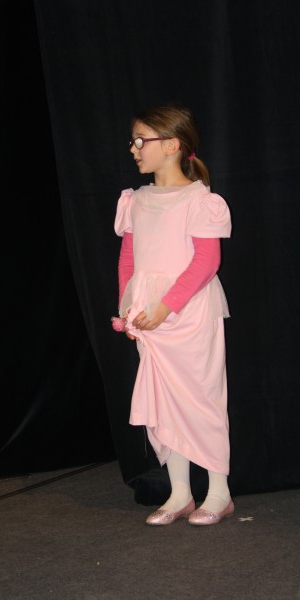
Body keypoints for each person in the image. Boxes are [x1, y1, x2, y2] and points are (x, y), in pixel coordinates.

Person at [112, 104, 234, 526]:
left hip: (188, 312)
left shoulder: (199, 200)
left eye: (140, 140)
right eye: (133, 141)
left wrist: (166, 306)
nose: (133, 149)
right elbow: (128, 260)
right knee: (165, 401)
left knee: (202, 399)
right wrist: (128, 309)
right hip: (151, 316)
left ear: (172, 145)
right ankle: (180, 493)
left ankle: (219, 492)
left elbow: (206, 262)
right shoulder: (136, 200)